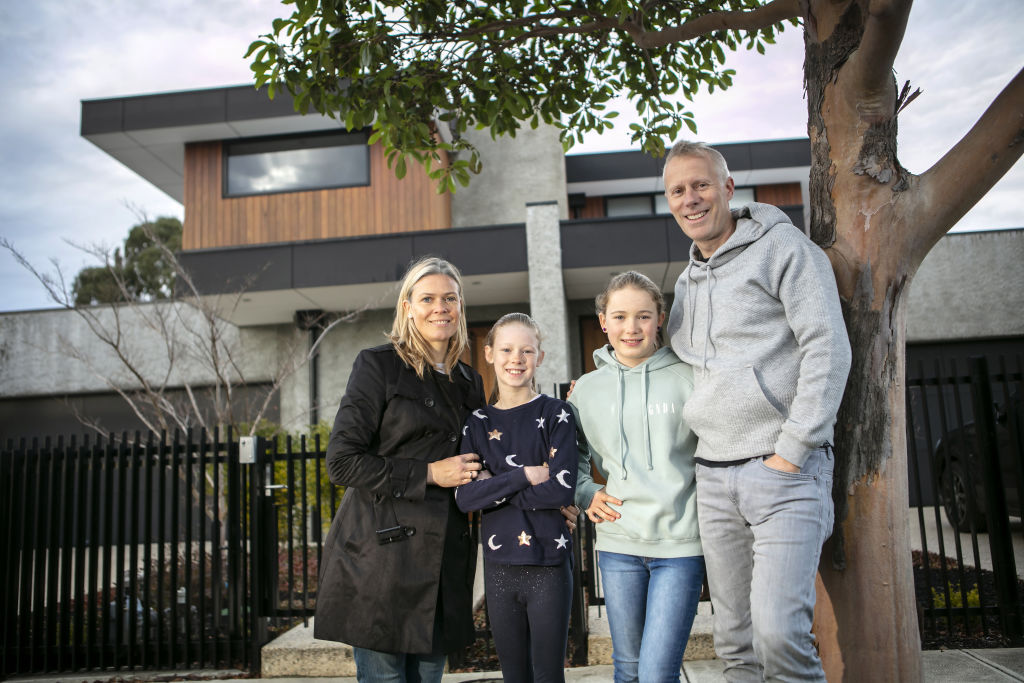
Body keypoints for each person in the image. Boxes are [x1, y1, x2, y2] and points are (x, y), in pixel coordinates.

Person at [663, 141, 852, 682]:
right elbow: (676, 358)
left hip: (782, 471)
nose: (690, 198)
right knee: (735, 644)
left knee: (779, 634)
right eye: (677, 191)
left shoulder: (783, 249)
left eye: (700, 184)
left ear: (727, 188)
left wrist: (793, 450)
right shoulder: (687, 279)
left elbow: (828, 347)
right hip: (714, 476)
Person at [314, 256, 486, 683]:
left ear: (460, 307)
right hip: (381, 557)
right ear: (408, 307)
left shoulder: (469, 381)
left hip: (444, 557)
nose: (439, 307)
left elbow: (489, 452)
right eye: (427, 298)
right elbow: (341, 461)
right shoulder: (378, 365)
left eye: (449, 298)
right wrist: (429, 473)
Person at [567, 271, 704, 683]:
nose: (631, 328)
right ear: (603, 320)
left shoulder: (691, 378)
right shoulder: (586, 390)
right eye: (620, 316)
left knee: (658, 673)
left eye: (643, 316)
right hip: (617, 544)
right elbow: (572, 457)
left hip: (680, 546)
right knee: (627, 669)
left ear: (660, 318)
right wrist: (585, 491)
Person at [454, 313, 578, 683]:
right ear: (489, 353)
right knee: (515, 677)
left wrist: (497, 486)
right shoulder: (476, 422)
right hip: (500, 568)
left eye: (527, 350)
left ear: (539, 357)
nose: (516, 359)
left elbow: (561, 490)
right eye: (506, 349)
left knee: (547, 676)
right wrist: (524, 476)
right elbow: (465, 498)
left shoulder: (557, 413)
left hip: (549, 565)